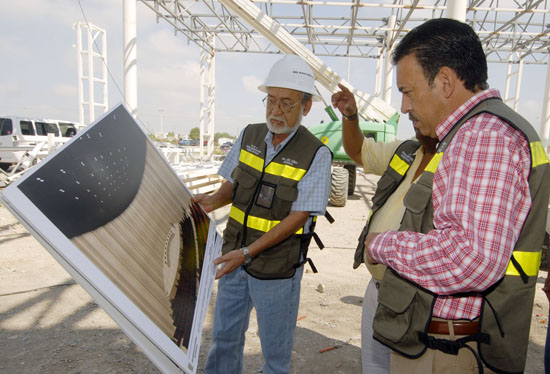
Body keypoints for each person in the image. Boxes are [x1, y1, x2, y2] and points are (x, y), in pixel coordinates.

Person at [360, 18, 550, 374]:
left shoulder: (483, 136)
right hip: (452, 342)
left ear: (445, 81)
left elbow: (471, 259)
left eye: (408, 91)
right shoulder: (480, 131)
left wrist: (381, 245)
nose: (403, 107)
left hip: (449, 350)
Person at [195, 54, 332, 374]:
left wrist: (247, 253)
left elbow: (298, 217)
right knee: (224, 338)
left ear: (306, 107)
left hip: (277, 270)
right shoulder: (250, 135)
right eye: (271, 100)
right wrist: (211, 201)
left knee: (275, 354)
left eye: (287, 103)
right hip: (233, 261)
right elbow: (233, 184)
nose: (276, 110)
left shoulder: (316, 154)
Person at [331, 83, 438, 373]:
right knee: (375, 368)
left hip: (413, 299)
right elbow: (357, 151)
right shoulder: (406, 152)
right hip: (378, 290)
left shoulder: (455, 164)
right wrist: (351, 117)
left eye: (413, 101)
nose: (406, 111)